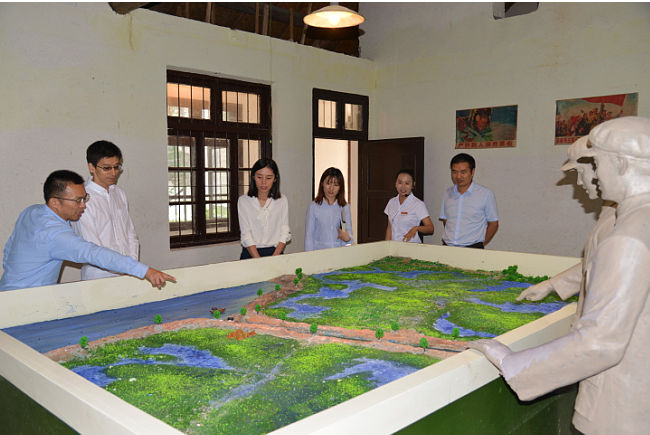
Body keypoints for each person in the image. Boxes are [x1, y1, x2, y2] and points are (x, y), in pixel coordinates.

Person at [467, 117, 650, 435]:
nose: (594, 175)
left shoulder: (627, 237)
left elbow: (599, 343)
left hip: (617, 406)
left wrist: (512, 363)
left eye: (597, 164)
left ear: (621, 163)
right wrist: (553, 284)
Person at [0, 170, 175, 291]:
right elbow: (94, 253)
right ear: (54, 202)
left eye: (85, 198)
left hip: (7, 291)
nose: (83, 205)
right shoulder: (55, 234)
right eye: (77, 200)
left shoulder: (31, 212)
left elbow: (8, 251)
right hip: (25, 302)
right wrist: (145, 271)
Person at [517, 137, 616, 316]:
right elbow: (597, 263)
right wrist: (550, 285)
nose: (579, 182)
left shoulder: (628, 217)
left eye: (580, 172)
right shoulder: (611, 207)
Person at [70, 141, 139, 280]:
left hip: (127, 271)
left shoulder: (119, 193)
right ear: (92, 167)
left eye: (116, 167)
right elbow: (91, 247)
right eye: (107, 168)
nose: (113, 173)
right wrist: (124, 268)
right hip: (99, 275)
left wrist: (131, 264)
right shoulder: (82, 199)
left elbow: (130, 234)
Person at [440, 153, 498, 249]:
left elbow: (493, 224)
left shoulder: (485, 194)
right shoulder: (448, 193)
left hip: (473, 248)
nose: (458, 176)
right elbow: (446, 220)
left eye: (463, 172)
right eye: (454, 172)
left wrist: (480, 244)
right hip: (448, 247)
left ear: (472, 172)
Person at [237, 158, 290, 259]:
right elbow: (246, 234)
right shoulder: (243, 201)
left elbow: (284, 231)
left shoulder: (282, 200)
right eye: (259, 177)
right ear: (253, 177)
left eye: (268, 178)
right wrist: (259, 261)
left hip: (275, 253)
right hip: (251, 253)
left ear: (275, 178)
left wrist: (274, 257)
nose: (263, 182)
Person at [305, 167, 353, 251]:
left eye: (336, 185)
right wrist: (308, 256)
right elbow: (309, 237)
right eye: (328, 183)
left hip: (339, 252)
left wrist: (347, 238)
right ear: (322, 184)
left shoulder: (345, 207)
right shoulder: (313, 207)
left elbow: (349, 235)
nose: (331, 188)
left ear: (340, 187)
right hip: (319, 253)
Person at [384, 168, 434, 243]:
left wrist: (416, 228)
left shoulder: (418, 204)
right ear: (396, 184)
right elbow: (389, 228)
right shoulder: (391, 202)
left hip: (411, 246)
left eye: (407, 183)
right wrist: (387, 246)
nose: (403, 187)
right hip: (394, 246)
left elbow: (430, 228)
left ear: (413, 185)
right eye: (400, 182)